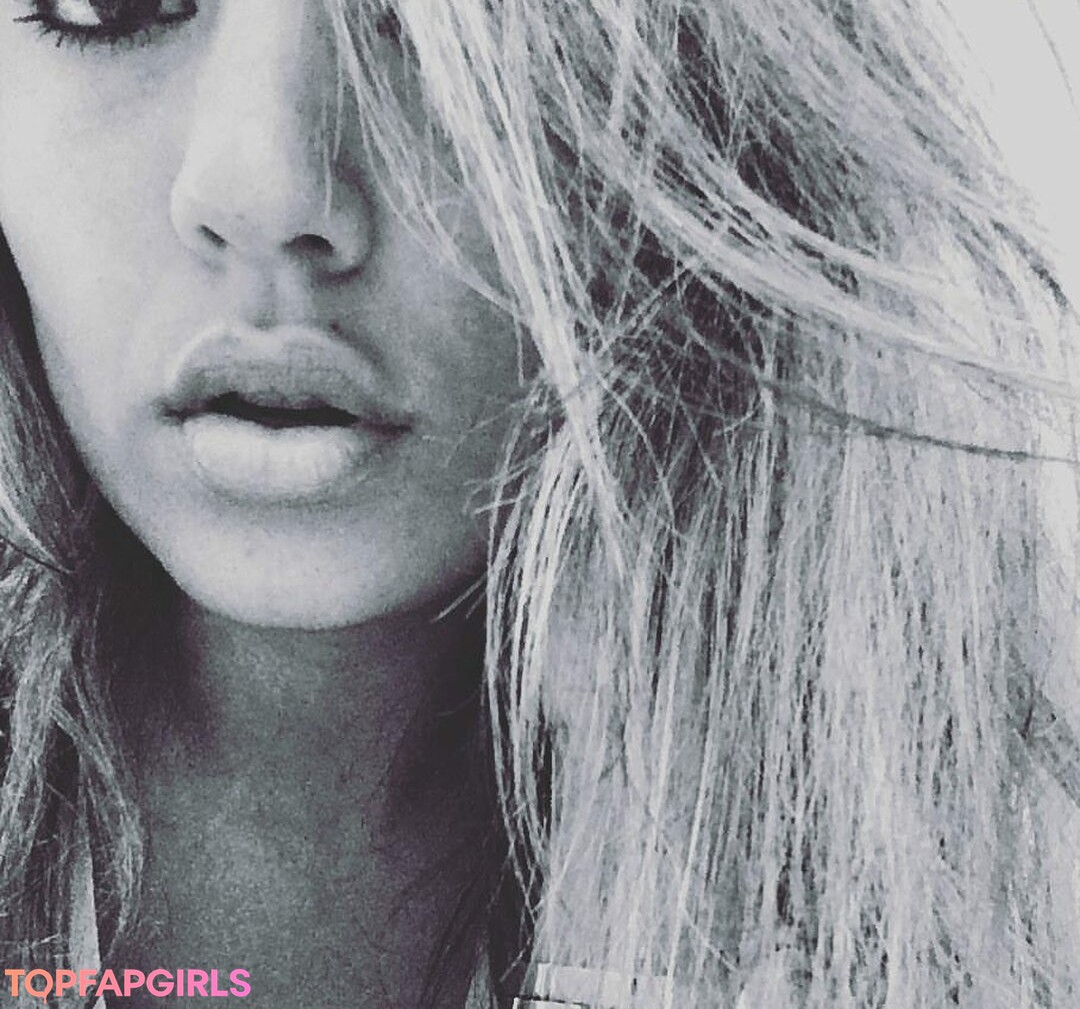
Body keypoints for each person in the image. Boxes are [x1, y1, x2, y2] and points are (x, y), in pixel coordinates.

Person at [0, 0, 1077, 1006]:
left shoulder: (1014, 873)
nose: (266, 190)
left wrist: (654, 899)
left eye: (434, 23)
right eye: (112, 5)